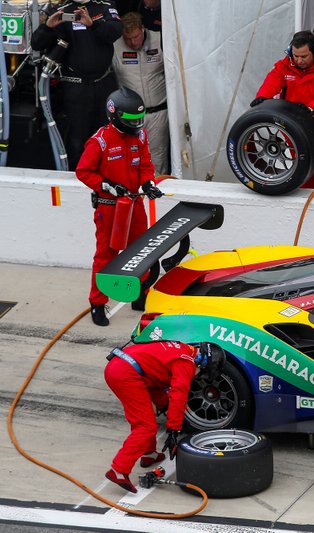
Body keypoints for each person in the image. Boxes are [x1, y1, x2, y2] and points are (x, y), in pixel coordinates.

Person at [75, 87, 164, 326]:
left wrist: (148, 183)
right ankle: (97, 302)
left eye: (139, 119)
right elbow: (83, 172)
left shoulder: (141, 136)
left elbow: (145, 164)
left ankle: (137, 293)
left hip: (135, 204)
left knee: (140, 251)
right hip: (109, 207)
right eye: (131, 120)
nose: (137, 124)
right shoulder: (100, 141)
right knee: (106, 255)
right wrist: (106, 185)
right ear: (115, 116)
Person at [104, 341, 226, 493]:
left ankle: (149, 454)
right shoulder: (186, 364)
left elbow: (155, 378)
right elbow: (178, 395)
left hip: (121, 367)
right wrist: (174, 429)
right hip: (125, 374)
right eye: (203, 373)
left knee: (144, 418)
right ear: (202, 365)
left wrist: (164, 406)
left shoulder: (185, 349)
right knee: (146, 427)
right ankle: (119, 470)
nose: (199, 376)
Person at [30, 1, 122, 170]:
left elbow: (116, 31)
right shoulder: (62, 10)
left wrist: (93, 24)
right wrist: (48, 27)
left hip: (103, 84)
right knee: (77, 141)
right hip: (76, 88)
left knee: (107, 138)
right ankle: (77, 180)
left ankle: (106, 181)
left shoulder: (104, 5)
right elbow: (36, 43)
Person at [252, 30, 314, 191]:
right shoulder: (284, 65)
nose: (299, 60)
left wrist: (311, 108)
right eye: (295, 56)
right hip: (298, 133)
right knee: (305, 181)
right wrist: (262, 97)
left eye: (304, 56)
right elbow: (272, 82)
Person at [113, 12, 169, 175]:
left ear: (143, 29)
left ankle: (158, 194)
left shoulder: (160, 39)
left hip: (158, 111)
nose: (132, 42)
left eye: (136, 37)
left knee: (157, 157)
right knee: (130, 158)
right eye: (127, 38)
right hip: (130, 115)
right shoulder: (114, 46)